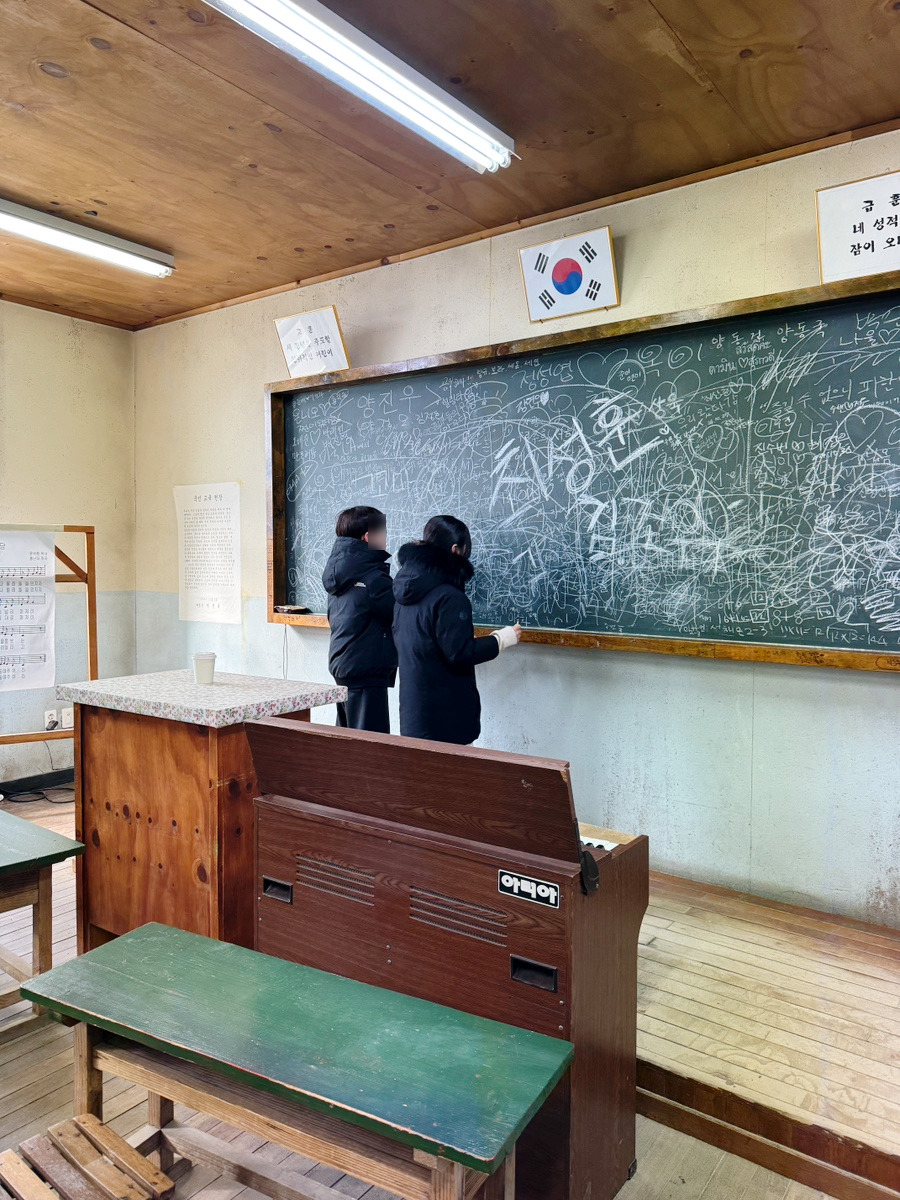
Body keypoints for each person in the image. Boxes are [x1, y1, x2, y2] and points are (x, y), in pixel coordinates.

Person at [392, 514, 521, 745]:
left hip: (414, 711)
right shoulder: (450, 597)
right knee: (452, 769)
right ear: (455, 550)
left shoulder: (404, 594)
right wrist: (501, 639)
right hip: (446, 718)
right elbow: (459, 653)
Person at [322, 505, 397, 734]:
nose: (386, 538)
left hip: (344, 663)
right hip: (365, 669)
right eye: (383, 532)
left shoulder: (340, 571)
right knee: (369, 745)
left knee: (348, 740)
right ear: (368, 536)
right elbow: (399, 613)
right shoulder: (372, 577)